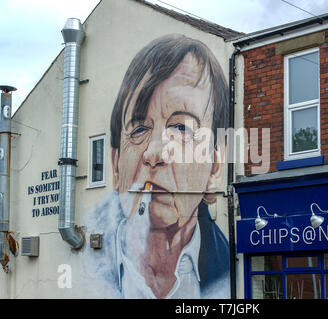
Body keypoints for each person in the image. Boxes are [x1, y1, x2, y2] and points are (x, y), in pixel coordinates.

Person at [85, 34, 230, 299]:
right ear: (115, 165)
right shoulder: (87, 268)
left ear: (215, 167)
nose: (153, 153)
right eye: (139, 129)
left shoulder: (229, 272)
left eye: (180, 128)